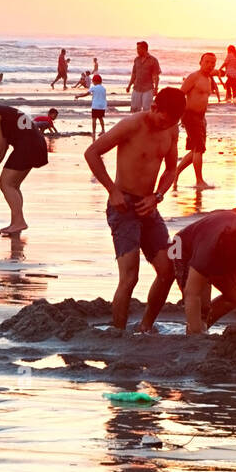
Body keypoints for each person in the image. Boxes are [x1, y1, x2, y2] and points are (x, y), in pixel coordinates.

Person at [83, 87, 187, 332]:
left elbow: (171, 169)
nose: (166, 126)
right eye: (164, 119)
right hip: (123, 206)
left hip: (149, 207)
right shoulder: (131, 125)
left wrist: (157, 196)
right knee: (130, 277)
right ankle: (118, 332)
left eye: (172, 122)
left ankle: (145, 327)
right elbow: (92, 153)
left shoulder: (171, 129)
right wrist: (112, 190)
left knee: (167, 270)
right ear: (154, 108)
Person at [168, 210, 236, 335]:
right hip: (183, 247)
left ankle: (203, 327)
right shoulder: (206, 254)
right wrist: (196, 335)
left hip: (219, 237)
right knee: (201, 308)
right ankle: (195, 333)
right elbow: (192, 294)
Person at [0, 85, 49, 234]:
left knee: (6, 183)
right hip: (36, 144)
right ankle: (16, 222)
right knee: (13, 184)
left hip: (28, 146)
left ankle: (19, 222)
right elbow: (3, 147)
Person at [172, 52, 220, 190]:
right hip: (190, 116)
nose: (210, 65)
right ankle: (199, 181)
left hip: (200, 117)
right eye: (207, 62)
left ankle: (175, 173)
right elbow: (180, 95)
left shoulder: (209, 78)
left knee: (196, 150)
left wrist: (203, 118)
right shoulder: (194, 77)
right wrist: (178, 116)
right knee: (199, 148)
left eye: (213, 63)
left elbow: (216, 74)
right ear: (200, 62)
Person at [126, 40, 161, 112]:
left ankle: (147, 123)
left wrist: (156, 88)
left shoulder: (153, 60)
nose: (137, 51)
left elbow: (155, 76)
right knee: (134, 109)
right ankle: (136, 123)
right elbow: (134, 74)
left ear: (144, 49)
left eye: (138, 49)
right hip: (136, 88)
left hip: (148, 89)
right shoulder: (136, 60)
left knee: (147, 110)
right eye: (137, 49)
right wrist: (129, 86)